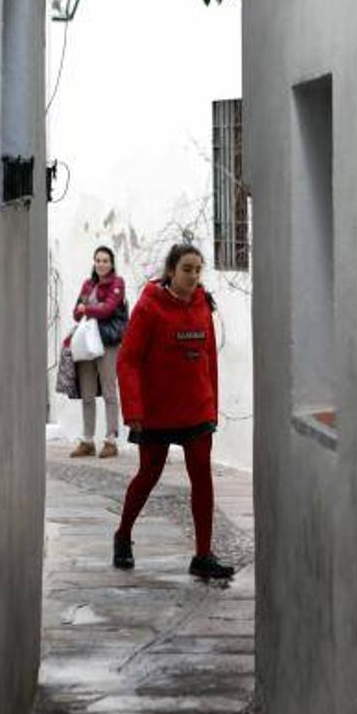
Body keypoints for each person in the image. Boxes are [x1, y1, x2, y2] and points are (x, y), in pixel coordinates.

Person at [112, 243, 234, 580]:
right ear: (170, 271)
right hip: (157, 411)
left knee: (202, 479)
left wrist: (212, 406)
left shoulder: (202, 306)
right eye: (186, 269)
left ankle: (203, 555)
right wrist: (133, 409)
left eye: (198, 269)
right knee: (148, 475)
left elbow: (209, 359)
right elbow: (128, 360)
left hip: (196, 410)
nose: (193, 276)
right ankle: (123, 536)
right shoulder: (149, 308)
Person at [69, 246, 128, 459]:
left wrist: (88, 309)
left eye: (105, 260)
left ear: (111, 264)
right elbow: (77, 313)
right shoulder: (88, 284)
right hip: (86, 344)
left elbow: (109, 309)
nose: (101, 264)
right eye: (98, 260)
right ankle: (87, 440)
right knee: (87, 393)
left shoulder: (117, 283)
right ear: (94, 263)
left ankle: (111, 440)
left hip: (107, 342)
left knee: (109, 390)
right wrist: (83, 310)